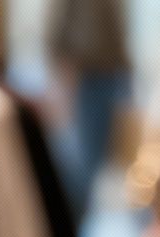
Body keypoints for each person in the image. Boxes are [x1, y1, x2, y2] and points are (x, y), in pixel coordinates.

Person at [46, 0, 134, 225]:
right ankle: (72, 223)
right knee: (83, 160)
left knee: (103, 156)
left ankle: (79, 221)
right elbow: (58, 31)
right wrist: (63, 77)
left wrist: (126, 77)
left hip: (112, 75)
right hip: (86, 75)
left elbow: (117, 30)